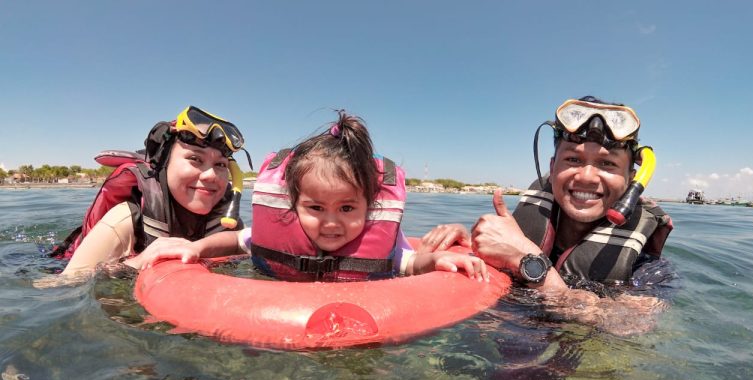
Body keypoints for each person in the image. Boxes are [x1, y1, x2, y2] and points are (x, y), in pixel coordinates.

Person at [135, 111, 489, 282]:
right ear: (293, 205)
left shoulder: (386, 246)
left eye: (347, 208)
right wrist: (196, 248)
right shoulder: (277, 232)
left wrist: (437, 261)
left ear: (369, 207)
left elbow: (412, 264)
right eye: (315, 207)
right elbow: (235, 241)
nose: (331, 222)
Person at [420, 96, 673, 335]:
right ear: (552, 168)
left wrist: (526, 259)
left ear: (631, 179)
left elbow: (630, 324)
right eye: (573, 159)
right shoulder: (525, 225)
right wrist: (470, 241)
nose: (586, 176)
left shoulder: (648, 268)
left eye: (607, 164)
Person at [46, 106, 249, 282]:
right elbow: (58, 285)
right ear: (164, 162)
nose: (211, 175)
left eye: (220, 165)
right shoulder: (126, 219)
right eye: (195, 159)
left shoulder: (229, 225)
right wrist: (136, 263)